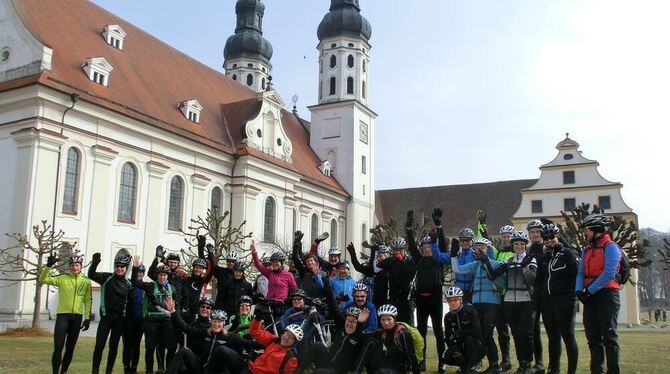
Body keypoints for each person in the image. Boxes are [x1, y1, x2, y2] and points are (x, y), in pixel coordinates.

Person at [445, 237, 504, 373]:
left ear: (488, 249)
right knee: (478, 334)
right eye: (476, 247)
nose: (478, 250)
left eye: (482, 247)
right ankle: (474, 363)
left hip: (491, 302)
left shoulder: (496, 264)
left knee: (487, 334)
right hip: (476, 301)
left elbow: (503, 283)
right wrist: (454, 255)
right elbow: (457, 269)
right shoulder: (475, 265)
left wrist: (487, 263)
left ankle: (494, 364)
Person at [575, 213, 623, 374]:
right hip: (590, 296)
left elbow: (609, 273)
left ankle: (613, 371)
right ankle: (597, 371)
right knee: (592, 337)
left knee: (609, 336)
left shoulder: (611, 247)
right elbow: (581, 272)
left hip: (607, 295)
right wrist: (578, 290)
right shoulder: (587, 249)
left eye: (586, 230)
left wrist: (589, 290)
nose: (584, 233)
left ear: (595, 230)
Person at [405, 209, 447, 372]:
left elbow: (442, 244)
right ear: (422, 248)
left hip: (435, 301)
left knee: (438, 332)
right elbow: (411, 244)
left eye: (430, 246)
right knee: (421, 333)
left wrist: (438, 225)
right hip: (421, 301)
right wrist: (409, 228)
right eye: (425, 246)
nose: (428, 248)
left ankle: (441, 362)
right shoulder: (419, 259)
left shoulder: (439, 259)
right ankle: (421, 361)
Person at [535, 223, 578, 374]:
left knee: (568, 336)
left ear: (557, 237)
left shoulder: (567, 254)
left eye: (551, 237)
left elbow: (575, 275)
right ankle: (554, 369)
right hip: (548, 303)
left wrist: (572, 296)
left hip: (564, 301)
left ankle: (571, 371)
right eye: (545, 239)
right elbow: (539, 281)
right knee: (553, 337)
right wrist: (539, 300)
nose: (548, 241)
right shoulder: (544, 257)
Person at [39, 252, 92, 374]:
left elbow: (87, 300)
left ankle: (64, 371)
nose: (74, 267)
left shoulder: (86, 281)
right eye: (72, 265)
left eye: (77, 265)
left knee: (70, 348)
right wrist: (48, 266)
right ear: (69, 266)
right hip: (63, 316)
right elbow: (42, 279)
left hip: (77, 317)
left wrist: (87, 318)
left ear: (81, 266)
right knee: (58, 347)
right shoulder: (62, 278)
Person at [88, 252, 133, 374]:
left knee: (113, 347)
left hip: (120, 320)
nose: (119, 268)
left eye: (122, 266)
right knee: (99, 346)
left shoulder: (129, 284)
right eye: (117, 266)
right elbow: (91, 274)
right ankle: (95, 371)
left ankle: (109, 371)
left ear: (126, 268)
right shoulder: (106, 278)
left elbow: (131, 303)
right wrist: (95, 263)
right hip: (106, 318)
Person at [132, 256, 178, 374]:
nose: (162, 277)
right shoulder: (150, 286)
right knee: (150, 347)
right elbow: (135, 282)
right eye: (160, 275)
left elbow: (176, 304)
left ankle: (166, 369)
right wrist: (135, 268)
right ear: (157, 276)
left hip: (166, 319)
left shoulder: (172, 288)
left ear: (167, 276)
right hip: (151, 319)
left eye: (164, 275)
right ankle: (149, 370)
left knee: (169, 346)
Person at [299, 306, 369, 373]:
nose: (349, 324)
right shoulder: (341, 329)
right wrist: (328, 293)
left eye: (353, 321)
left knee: (318, 372)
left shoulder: (359, 337)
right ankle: (297, 371)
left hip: (339, 371)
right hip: (328, 362)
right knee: (318, 346)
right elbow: (335, 309)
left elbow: (361, 334)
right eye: (348, 320)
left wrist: (360, 323)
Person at [355, 304, 420, 374]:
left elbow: (412, 357)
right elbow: (361, 337)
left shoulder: (403, 334)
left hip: (399, 368)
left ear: (394, 319)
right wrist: (360, 323)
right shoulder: (382, 332)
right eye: (383, 319)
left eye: (389, 319)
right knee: (371, 342)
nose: (386, 323)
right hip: (386, 366)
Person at [246, 305, 302, 374]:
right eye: (286, 334)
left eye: (291, 338)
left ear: (294, 343)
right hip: (250, 368)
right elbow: (254, 332)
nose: (286, 338)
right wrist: (258, 318)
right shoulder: (273, 340)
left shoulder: (291, 358)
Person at [250, 240, 298, 320]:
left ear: (281, 263)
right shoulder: (270, 273)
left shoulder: (288, 275)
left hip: (281, 305)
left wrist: (288, 300)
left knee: (280, 327)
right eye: (273, 262)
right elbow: (258, 265)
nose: (274, 264)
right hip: (269, 304)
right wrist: (254, 252)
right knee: (268, 326)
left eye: (277, 262)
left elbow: (294, 290)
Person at [443, 286, 485, 374]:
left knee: (469, 339)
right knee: (447, 357)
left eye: (455, 300)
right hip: (460, 345)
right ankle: (464, 366)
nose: (453, 303)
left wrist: (460, 333)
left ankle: (473, 365)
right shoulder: (448, 317)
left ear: (460, 300)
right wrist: (454, 349)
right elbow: (447, 336)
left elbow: (477, 331)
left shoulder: (470, 311)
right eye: (450, 301)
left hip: (476, 345)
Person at [377, 237, 417, 324]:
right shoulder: (391, 261)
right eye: (395, 250)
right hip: (393, 297)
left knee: (408, 324)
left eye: (400, 249)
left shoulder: (410, 261)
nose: (398, 252)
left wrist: (401, 262)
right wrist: (377, 252)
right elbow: (377, 266)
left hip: (407, 297)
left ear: (404, 249)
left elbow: (408, 276)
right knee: (393, 324)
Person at [495, 225, 516, 372]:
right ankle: (506, 360)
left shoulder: (517, 253)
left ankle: (525, 361)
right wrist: (481, 226)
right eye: (503, 236)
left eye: (508, 235)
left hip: (514, 295)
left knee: (518, 329)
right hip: (500, 296)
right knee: (502, 330)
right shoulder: (498, 253)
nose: (506, 238)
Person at [526, 219, 546, 374]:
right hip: (533, 294)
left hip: (548, 293)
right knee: (533, 330)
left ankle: (553, 364)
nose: (535, 234)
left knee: (553, 331)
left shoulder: (547, 248)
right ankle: (538, 362)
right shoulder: (527, 250)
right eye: (532, 232)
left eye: (538, 231)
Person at [346, 241, 392, 308]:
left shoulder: (391, 269)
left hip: (388, 303)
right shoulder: (373, 270)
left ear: (386, 256)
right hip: (374, 303)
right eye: (376, 256)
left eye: (380, 256)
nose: (378, 258)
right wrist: (353, 254)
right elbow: (358, 267)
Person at [123, 263, 146, 374]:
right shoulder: (128, 285)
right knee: (127, 345)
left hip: (140, 320)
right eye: (137, 272)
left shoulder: (145, 287)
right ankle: (126, 367)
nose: (139, 274)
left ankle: (134, 367)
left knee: (136, 345)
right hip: (127, 320)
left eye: (141, 273)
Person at [454, 227, 477, 304]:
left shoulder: (476, 255)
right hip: (458, 290)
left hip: (472, 290)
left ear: (472, 240)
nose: (464, 242)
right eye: (462, 240)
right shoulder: (457, 255)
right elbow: (440, 256)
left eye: (467, 240)